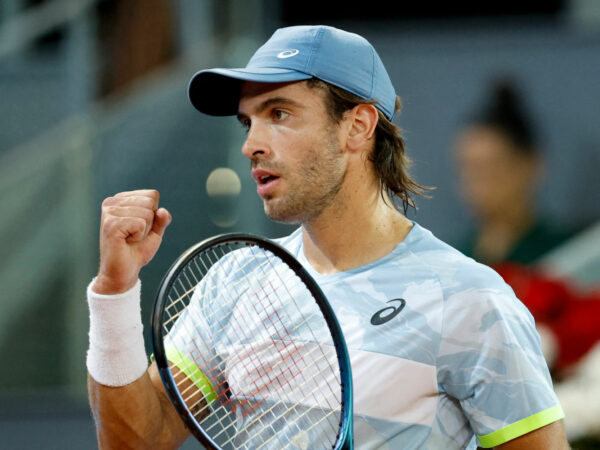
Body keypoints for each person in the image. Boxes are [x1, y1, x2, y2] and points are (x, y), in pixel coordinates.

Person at [87, 26, 569, 449]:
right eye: (248, 120)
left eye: (279, 113)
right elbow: (135, 443)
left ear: (357, 126)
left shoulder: (471, 300)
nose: (250, 143)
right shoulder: (233, 284)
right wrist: (114, 292)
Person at [453, 80, 571, 266]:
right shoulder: (452, 259)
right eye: (468, 169)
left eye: (491, 170)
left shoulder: (569, 253)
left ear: (530, 165)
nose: (477, 185)